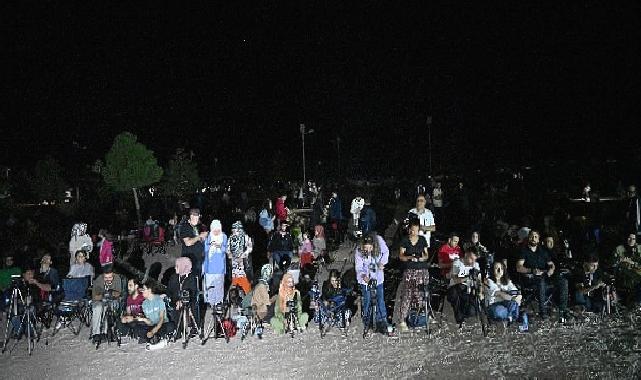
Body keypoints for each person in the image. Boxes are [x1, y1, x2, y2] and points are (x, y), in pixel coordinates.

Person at [516, 230, 569, 320]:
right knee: (541, 281)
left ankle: (562, 310)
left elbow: (551, 264)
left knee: (563, 281)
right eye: (532, 236)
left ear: (538, 239)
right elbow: (519, 267)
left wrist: (551, 269)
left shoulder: (542, 251)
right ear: (528, 238)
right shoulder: (524, 251)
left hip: (544, 275)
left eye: (536, 237)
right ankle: (542, 311)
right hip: (531, 278)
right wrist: (532, 270)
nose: (533, 238)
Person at [397, 220, 429, 332]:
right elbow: (401, 256)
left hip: (421, 269)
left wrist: (421, 258)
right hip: (410, 269)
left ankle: (420, 318)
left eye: (416, 230)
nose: (414, 232)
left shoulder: (422, 240)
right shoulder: (405, 240)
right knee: (407, 294)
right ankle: (402, 320)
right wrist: (409, 257)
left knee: (420, 294)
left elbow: (426, 255)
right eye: (412, 229)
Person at [355, 233, 390, 334]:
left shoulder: (379, 241)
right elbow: (359, 267)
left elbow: (386, 252)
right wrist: (363, 275)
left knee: (380, 299)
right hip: (366, 280)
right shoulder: (359, 251)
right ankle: (367, 321)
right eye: (366, 248)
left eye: (370, 247)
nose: (368, 250)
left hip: (378, 277)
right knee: (368, 300)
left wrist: (382, 262)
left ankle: (382, 321)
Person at [447, 246, 481, 326]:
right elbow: (455, 280)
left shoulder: (476, 265)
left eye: (474, 259)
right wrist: (468, 277)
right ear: (466, 255)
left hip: (469, 290)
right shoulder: (457, 263)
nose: (473, 261)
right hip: (456, 288)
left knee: (471, 311)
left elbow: (478, 281)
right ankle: (459, 319)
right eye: (471, 259)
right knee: (457, 291)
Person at [167, 257, 199, 335]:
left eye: (177, 266)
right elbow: (169, 291)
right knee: (174, 307)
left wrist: (182, 300)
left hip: (189, 299)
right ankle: (178, 329)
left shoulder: (191, 278)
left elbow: (192, 292)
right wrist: (171, 298)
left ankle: (194, 327)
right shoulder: (174, 277)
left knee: (192, 306)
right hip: (176, 300)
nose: (175, 268)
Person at [90, 266, 123, 343]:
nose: (108, 279)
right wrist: (104, 295)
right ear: (103, 275)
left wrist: (111, 293)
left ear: (113, 275)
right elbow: (95, 296)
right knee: (98, 308)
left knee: (111, 306)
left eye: (110, 277)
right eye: (106, 277)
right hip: (100, 300)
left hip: (113, 300)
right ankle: (96, 333)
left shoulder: (117, 278)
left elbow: (118, 293)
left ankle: (107, 331)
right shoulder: (98, 280)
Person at [138, 281, 172, 350]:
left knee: (170, 326)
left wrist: (153, 331)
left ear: (149, 290)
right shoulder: (144, 304)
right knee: (140, 329)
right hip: (152, 325)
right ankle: (158, 340)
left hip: (162, 324)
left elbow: (161, 318)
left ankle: (154, 342)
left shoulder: (159, 300)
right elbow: (150, 322)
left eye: (144, 289)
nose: (142, 291)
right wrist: (144, 319)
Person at [203, 220, 227, 306]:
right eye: (214, 230)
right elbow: (205, 249)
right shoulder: (208, 236)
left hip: (219, 267)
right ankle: (211, 302)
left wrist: (219, 246)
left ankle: (219, 302)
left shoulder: (223, 236)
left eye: (218, 230)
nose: (216, 232)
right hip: (209, 267)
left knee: (219, 285)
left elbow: (226, 249)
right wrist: (211, 245)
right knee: (210, 285)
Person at [613, 232, 641, 308]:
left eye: (633, 239)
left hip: (637, 281)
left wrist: (632, 263)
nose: (631, 240)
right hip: (622, 280)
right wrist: (619, 261)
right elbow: (613, 263)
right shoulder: (619, 249)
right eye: (629, 238)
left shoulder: (639, 249)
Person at [228, 221, 253, 292]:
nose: (233, 230)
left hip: (243, 263)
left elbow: (250, 248)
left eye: (235, 228)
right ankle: (232, 299)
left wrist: (243, 255)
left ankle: (248, 298)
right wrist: (230, 255)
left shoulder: (246, 237)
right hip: (234, 264)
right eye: (233, 228)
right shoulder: (231, 238)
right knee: (234, 283)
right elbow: (228, 249)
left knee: (245, 283)